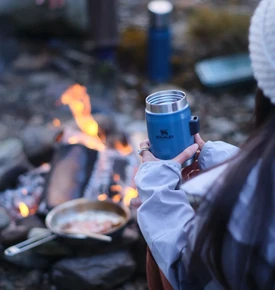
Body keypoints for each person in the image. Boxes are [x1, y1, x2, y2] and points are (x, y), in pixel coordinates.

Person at [135, 0, 275, 289]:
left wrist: (156, 190)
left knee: (157, 249)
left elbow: (189, 273)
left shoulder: (247, 209)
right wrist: (222, 158)